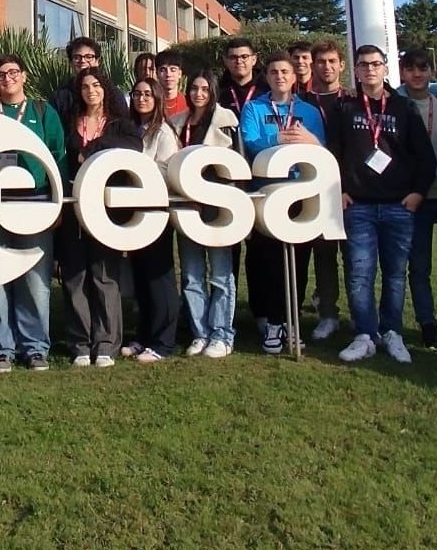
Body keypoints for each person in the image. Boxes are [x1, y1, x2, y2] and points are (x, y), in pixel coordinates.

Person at [331, 45, 436, 365]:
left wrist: (417, 193)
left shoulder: (404, 108)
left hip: (398, 205)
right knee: (360, 274)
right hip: (358, 205)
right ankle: (364, 334)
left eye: (376, 64)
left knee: (394, 274)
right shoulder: (344, 107)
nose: (370, 70)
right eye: (364, 65)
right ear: (356, 71)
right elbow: (333, 151)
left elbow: (425, 157)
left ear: (385, 68)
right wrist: (340, 190)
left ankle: (392, 332)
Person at [238, 52, 327, 354]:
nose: (280, 76)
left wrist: (304, 141)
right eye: (274, 71)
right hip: (266, 194)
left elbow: (320, 145)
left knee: (299, 262)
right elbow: (251, 141)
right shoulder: (254, 107)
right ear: (267, 76)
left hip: (300, 194)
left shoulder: (309, 110)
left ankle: (292, 321)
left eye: (285, 71)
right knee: (270, 262)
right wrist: (283, 138)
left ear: (294, 76)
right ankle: (274, 322)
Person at [0, 54, 68, 372]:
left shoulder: (42, 111)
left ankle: (34, 347)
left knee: (35, 276)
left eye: (13, 73)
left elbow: (58, 155)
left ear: (24, 76)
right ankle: (2, 348)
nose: (7, 79)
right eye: (1, 75)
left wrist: (58, 200)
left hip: (36, 201)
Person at [60, 69, 128, 368]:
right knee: (75, 277)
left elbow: (133, 145)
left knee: (103, 276)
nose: (91, 91)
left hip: (104, 207)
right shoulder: (69, 122)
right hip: (73, 207)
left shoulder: (118, 124)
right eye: (85, 86)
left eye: (96, 85)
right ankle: (80, 343)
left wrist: (92, 148)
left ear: (106, 89)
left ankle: (106, 344)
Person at [171, 74, 240, 358]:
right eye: (194, 88)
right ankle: (200, 333)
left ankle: (222, 334)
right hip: (188, 206)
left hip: (218, 206)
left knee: (221, 274)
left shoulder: (227, 121)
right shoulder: (177, 123)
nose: (198, 93)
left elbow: (237, 166)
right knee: (191, 274)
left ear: (212, 92)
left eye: (204, 89)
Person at [395, 50, 437, 351]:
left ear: (432, 71)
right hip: (414, 198)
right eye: (410, 69)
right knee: (419, 267)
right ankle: (427, 324)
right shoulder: (396, 103)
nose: (417, 74)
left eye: (423, 68)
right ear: (402, 72)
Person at [120, 78, 181, 362]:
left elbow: (166, 171)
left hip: (156, 211)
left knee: (159, 278)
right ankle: (143, 336)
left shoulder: (163, 132)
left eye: (147, 94)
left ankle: (164, 342)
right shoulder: (132, 128)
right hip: (136, 213)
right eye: (136, 94)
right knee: (141, 276)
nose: (141, 98)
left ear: (157, 98)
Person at [298, 39, 348, 341]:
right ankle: (327, 313)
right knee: (322, 256)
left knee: (355, 259)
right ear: (312, 66)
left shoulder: (355, 100)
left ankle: (362, 317)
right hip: (313, 189)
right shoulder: (303, 103)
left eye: (332, 61)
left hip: (351, 190)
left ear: (341, 65)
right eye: (321, 62)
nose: (326, 67)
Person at [50, 37, 124, 125]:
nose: (83, 61)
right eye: (77, 57)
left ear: (97, 61)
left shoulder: (112, 93)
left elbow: (124, 125)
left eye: (89, 57)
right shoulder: (60, 96)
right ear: (70, 62)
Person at [217, 38, 262, 113]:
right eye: (233, 57)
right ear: (225, 60)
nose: (239, 61)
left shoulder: (267, 89)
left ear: (254, 59)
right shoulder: (217, 91)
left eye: (244, 57)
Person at [154, 49, 189, 118]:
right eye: (163, 70)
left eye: (173, 70)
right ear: (157, 74)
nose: (168, 74)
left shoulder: (189, 103)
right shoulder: (151, 103)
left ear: (180, 74)